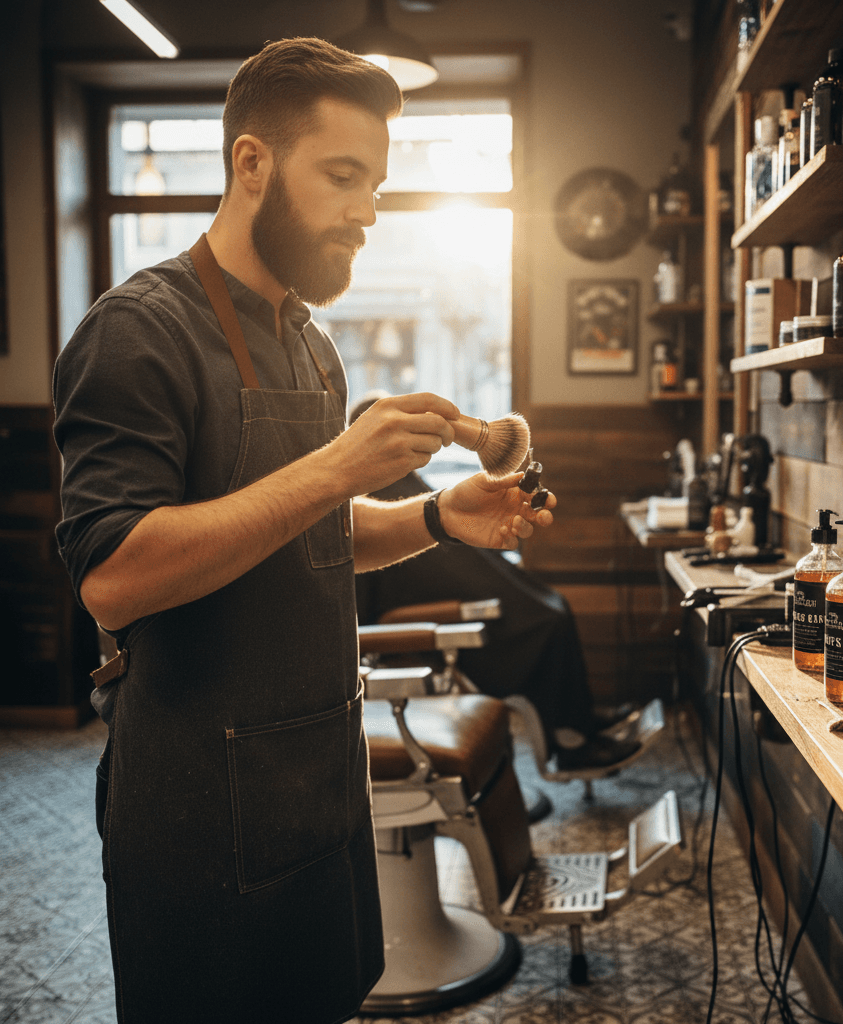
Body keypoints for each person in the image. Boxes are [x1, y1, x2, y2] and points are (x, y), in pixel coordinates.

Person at [51, 38, 554, 1024]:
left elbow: (310, 530)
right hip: (199, 808)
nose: (368, 210)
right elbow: (114, 575)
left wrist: (435, 515)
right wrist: (336, 465)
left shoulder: (313, 345)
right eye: (342, 176)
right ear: (252, 162)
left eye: (376, 184)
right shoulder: (137, 332)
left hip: (321, 780)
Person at [351, 394, 639, 769]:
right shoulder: (366, 508)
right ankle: (572, 738)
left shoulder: (402, 486)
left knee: (555, 605)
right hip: (442, 609)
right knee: (546, 620)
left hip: (468, 587)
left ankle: (580, 718)